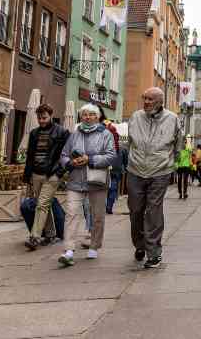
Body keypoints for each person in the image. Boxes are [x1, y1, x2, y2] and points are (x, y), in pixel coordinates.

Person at [127, 87, 181, 269]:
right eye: (145, 98)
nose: (146, 102)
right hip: (135, 170)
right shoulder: (135, 117)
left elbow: (178, 146)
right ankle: (140, 244)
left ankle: (154, 252)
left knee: (153, 210)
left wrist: (172, 164)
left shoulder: (172, 119)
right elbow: (130, 143)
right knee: (135, 210)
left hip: (160, 171)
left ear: (160, 101)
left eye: (150, 99)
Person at [58, 104, 116, 266]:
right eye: (84, 115)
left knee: (97, 216)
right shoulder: (74, 135)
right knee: (71, 213)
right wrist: (70, 162)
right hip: (76, 180)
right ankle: (68, 250)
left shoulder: (106, 134)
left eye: (91, 114)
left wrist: (90, 159)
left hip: (97, 181)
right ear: (81, 117)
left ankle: (94, 246)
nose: (88, 117)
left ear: (97, 117)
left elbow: (112, 156)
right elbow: (63, 155)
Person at [23, 104, 69, 250]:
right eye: (39, 118)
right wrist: (27, 175)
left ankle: (34, 237)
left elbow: (66, 154)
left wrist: (59, 172)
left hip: (52, 174)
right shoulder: (34, 133)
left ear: (51, 116)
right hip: (36, 174)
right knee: (44, 204)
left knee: (41, 204)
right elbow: (30, 156)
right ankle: (50, 235)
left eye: (44, 118)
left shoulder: (61, 132)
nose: (41, 121)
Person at [107, 144, 128, 214]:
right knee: (113, 190)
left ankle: (107, 207)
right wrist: (124, 169)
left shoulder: (106, 147)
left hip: (106, 172)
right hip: (116, 173)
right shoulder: (122, 149)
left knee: (106, 190)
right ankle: (109, 207)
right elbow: (126, 162)